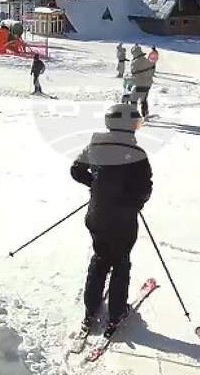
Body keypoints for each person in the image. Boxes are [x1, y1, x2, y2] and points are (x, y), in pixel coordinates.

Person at [70, 103, 152, 337]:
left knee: (100, 258)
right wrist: (133, 203)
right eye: (135, 122)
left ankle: (91, 309)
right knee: (121, 262)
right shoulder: (137, 154)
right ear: (126, 126)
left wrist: (98, 188)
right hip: (123, 220)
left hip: (97, 216)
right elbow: (144, 189)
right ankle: (116, 313)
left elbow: (76, 170)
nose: (137, 127)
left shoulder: (95, 145)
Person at [130, 45, 155, 118]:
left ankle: (134, 114)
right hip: (148, 84)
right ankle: (145, 113)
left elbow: (133, 73)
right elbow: (152, 71)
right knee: (143, 99)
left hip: (139, 84)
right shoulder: (148, 61)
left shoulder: (135, 62)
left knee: (133, 98)